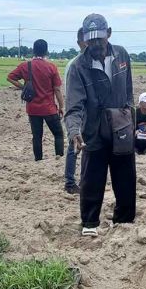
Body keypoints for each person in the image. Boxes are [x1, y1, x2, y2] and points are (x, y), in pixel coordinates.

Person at [64, 14, 136, 237]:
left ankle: (124, 222)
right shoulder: (78, 67)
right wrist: (74, 131)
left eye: (99, 39)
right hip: (93, 130)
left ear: (109, 34)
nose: (95, 44)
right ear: (84, 38)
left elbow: (129, 91)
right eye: (90, 40)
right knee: (92, 178)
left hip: (121, 127)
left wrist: (130, 118)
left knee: (125, 177)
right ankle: (90, 223)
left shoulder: (122, 55)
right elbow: (74, 105)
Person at [7, 39, 64, 161]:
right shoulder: (51, 67)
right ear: (46, 51)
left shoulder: (25, 66)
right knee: (58, 134)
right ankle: (58, 158)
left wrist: (23, 87)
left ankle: (38, 160)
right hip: (49, 108)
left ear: (33, 50)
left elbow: (10, 77)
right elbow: (57, 90)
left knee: (37, 136)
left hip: (33, 109)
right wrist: (61, 106)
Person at [63, 28, 88, 194]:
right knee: (74, 145)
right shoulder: (75, 65)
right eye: (87, 41)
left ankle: (80, 181)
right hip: (78, 112)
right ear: (80, 42)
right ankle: (70, 182)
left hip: (88, 113)